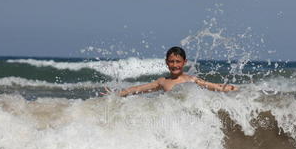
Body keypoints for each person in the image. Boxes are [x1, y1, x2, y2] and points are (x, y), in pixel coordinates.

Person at [102, 46, 238, 97]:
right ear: (167, 63)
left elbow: (214, 87)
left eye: (178, 62)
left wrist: (233, 89)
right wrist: (118, 93)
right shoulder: (162, 81)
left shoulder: (192, 80)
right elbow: (139, 88)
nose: (175, 65)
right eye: (171, 61)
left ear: (184, 62)